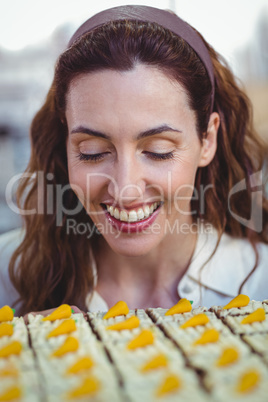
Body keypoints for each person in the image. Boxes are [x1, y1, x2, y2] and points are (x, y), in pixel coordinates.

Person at [0, 5, 267, 316]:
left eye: (158, 150)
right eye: (93, 152)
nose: (125, 189)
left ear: (207, 140)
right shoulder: (7, 274)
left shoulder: (261, 282)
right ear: (66, 144)